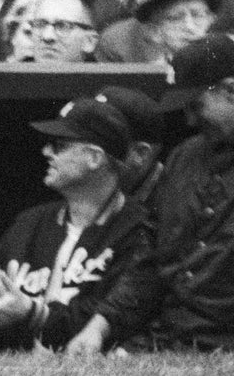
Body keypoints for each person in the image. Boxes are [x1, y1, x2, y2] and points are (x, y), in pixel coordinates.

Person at [70, 36, 234, 352]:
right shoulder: (184, 157)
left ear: (230, 90)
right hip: (169, 336)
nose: (188, 119)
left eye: (195, 105)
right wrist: (98, 328)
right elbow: (149, 262)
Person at [0, 93, 149, 349]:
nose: (46, 152)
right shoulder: (29, 223)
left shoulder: (138, 229)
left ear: (94, 158)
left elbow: (112, 318)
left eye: (59, 145)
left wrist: (30, 312)